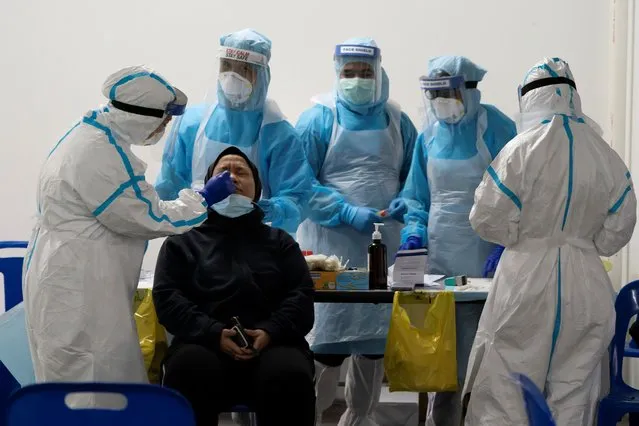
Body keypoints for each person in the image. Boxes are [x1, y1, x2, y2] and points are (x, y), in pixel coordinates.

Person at [22, 66, 236, 386]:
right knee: (91, 376)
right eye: (162, 122)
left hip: (66, 272)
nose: (163, 128)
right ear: (142, 117)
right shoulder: (101, 153)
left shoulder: (91, 133)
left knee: (72, 375)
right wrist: (203, 199)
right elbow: (150, 217)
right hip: (80, 284)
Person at [463, 57, 637, 425]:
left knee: (508, 387)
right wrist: (587, 242)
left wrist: (518, 238)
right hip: (586, 283)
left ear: (528, 99)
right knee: (575, 390)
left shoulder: (520, 150)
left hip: (525, 280)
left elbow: (485, 216)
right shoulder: (605, 155)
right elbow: (620, 226)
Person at [296, 37, 418, 426]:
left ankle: (359, 418)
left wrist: (405, 204)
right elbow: (299, 184)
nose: (358, 80)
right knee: (327, 341)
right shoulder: (317, 119)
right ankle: (308, 415)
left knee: (373, 343)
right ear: (337, 74)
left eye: (365, 73)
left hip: (384, 245)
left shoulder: (399, 122)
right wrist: (346, 211)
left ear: (379, 73)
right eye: (349, 73)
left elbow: (416, 179)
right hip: (330, 245)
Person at [154, 147, 315, 426]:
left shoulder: (280, 242)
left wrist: (270, 330)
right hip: (203, 342)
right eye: (223, 173)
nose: (232, 178)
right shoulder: (182, 242)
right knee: (188, 370)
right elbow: (168, 298)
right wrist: (213, 333)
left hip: (273, 343)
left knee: (289, 374)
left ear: (257, 190)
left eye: (241, 172)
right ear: (207, 187)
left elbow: (301, 295)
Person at [398, 56, 517, 426]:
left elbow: (518, 192)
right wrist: (413, 231)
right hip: (439, 261)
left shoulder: (497, 127)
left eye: (448, 93)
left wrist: (505, 245)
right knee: (441, 366)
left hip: (485, 257)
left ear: (470, 89)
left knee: (484, 360)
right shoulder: (428, 134)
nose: (441, 102)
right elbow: (417, 196)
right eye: (434, 95)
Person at [155, 28, 311, 234]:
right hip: (196, 240)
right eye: (226, 66)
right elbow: (168, 187)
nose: (232, 76)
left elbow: (296, 199)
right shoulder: (191, 123)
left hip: (255, 242)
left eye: (244, 69)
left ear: (262, 76)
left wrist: (266, 210)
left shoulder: (279, 134)